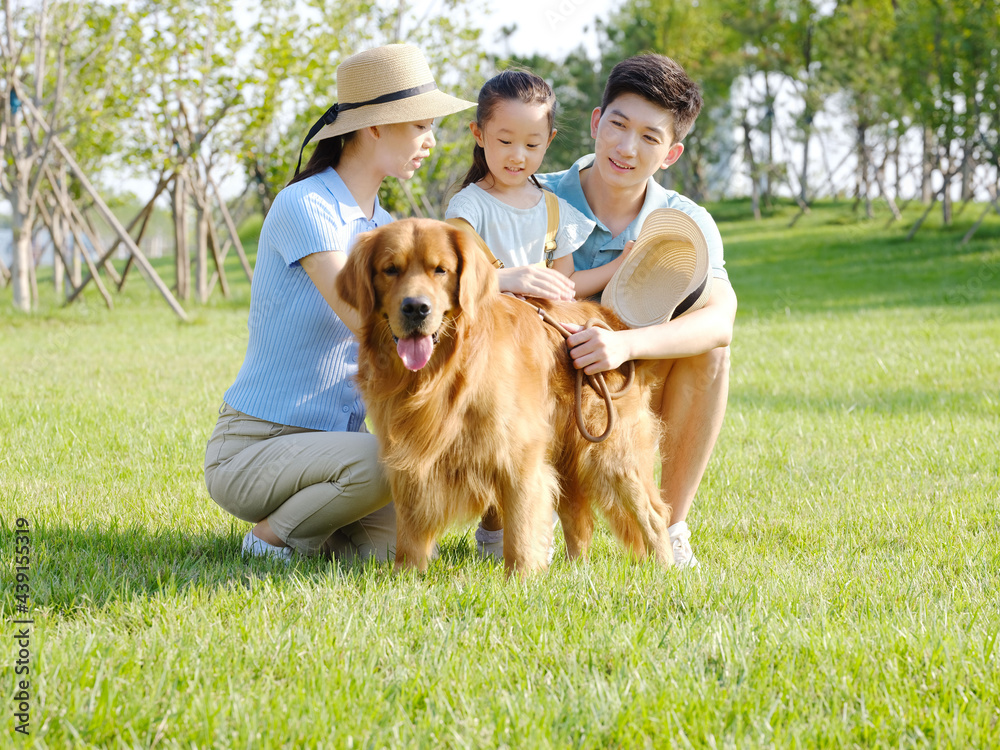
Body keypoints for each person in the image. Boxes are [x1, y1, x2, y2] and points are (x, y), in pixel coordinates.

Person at [203, 44, 475, 562]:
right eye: (420, 126)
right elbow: (362, 320)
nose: (431, 142)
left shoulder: (384, 226)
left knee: (400, 549)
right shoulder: (306, 205)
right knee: (385, 463)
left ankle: (318, 526)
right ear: (375, 126)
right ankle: (271, 538)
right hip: (255, 446)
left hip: (333, 444)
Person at [537, 53, 738, 568]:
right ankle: (507, 517)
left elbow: (721, 318)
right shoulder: (535, 196)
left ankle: (669, 525)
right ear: (596, 122)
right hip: (545, 376)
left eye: (649, 137)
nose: (626, 148)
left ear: (670, 154)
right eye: (619, 126)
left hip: (634, 368)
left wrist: (624, 344)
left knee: (711, 353)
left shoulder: (684, 221)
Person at [445, 68, 629, 301]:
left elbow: (566, 285)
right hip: (489, 331)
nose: (518, 156)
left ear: (548, 141)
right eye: (505, 141)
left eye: (531, 145)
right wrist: (504, 279)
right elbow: (449, 276)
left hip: (539, 333)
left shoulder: (554, 209)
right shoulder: (468, 207)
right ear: (478, 134)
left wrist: (619, 264)